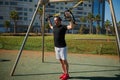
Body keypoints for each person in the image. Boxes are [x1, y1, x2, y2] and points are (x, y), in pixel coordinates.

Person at [47, 12, 75, 80]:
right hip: (56, 47)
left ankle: (67, 74)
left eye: (56, 20)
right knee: (61, 61)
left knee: (64, 61)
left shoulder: (63, 27)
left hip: (63, 47)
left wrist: (70, 19)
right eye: (54, 20)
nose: (55, 21)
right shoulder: (54, 27)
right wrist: (48, 19)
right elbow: (50, 26)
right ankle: (64, 73)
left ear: (60, 21)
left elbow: (71, 26)